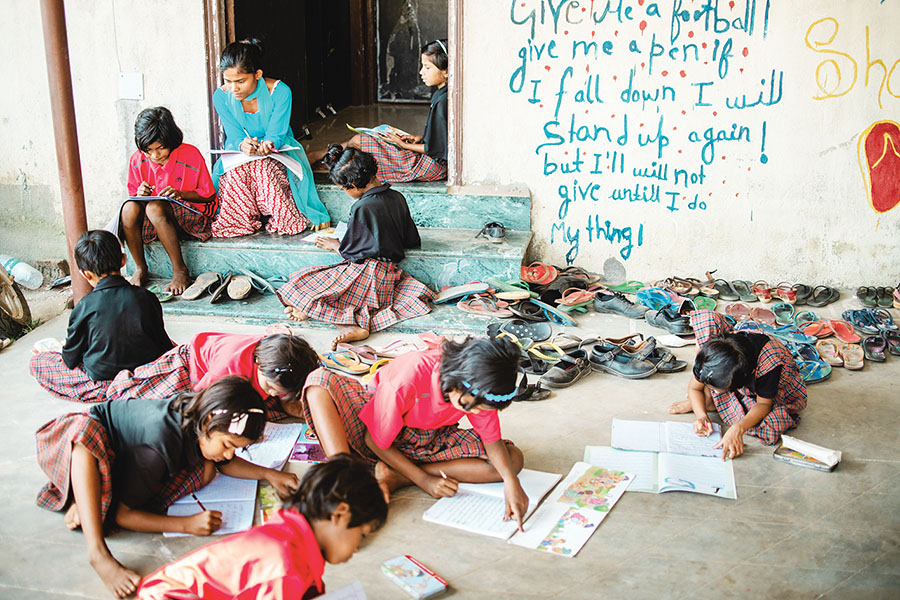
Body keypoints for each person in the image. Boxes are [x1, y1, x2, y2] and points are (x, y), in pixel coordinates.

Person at [34, 376, 300, 598]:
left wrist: (269, 475)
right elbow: (123, 516)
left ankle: (87, 498)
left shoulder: (198, 420)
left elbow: (222, 462)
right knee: (86, 441)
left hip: (129, 461)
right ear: (208, 423)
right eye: (228, 445)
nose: (230, 455)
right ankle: (97, 549)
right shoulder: (158, 447)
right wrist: (187, 524)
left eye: (236, 448)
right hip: (80, 446)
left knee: (208, 469)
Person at [297, 336, 529, 527]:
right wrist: (424, 481)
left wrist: (510, 481)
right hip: (373, 430)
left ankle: (397, 477)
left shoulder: (480, 389)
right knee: (319, 382)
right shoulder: (409, 376)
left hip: (427, 439)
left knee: (512, 459)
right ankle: (345, 474)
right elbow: (374, 441)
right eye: (474, 407)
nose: (479, 412)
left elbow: (492, 441)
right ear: (459, 383)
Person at [137, 454, 387, 599]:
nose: (356, 548)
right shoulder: (284, 569)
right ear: (340, 515)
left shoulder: (291, 534)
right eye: (361, 535)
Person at [278, 145, 434, 349]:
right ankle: (318, 313)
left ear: (352, 185)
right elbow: (411, 239)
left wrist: (335, 244)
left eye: (343, 189)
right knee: (320, 287)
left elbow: (352, 254)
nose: (345, 192)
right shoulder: (397, 196)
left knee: (301, 283)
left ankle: (349, 325)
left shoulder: (362, 207)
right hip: (388, 274)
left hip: (367, 272)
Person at [30, 230, 173, 403]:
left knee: (38, 361)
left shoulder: (84, 305)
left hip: (103, 381)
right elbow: (164, 345)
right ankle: (132, 387)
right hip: (146, 374)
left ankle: (114, 391)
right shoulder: (146, 297)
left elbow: (69, 359)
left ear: (86, 274)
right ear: (123, 260)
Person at [211, 38, 329, 238]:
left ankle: (286, 219)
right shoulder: (220, 96)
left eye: (240, 81)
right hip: (241, 153)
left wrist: (269, 144)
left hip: (279, 150)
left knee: (263, 166)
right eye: (228, 81)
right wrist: (242, 145)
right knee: (239, 169)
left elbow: (277, 134)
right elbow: (235, 134)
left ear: (257, 74)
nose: (233, 88)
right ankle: (240, 221)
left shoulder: (280, 92)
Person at [668, 309, 808, 459]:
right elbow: (695, 387)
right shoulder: (711, 354)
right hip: (731, 377)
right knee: (709, 392)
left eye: (716, 389)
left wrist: (738, 428)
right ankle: (706, 401)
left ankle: (709, 401)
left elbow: (763, 405)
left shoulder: (768, 365)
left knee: (772, 425)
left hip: (773, 389)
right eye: (709, 388)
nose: (714, 390)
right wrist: (701, 416)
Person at [307, 39, 449, 183]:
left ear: (446, 72)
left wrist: (404, 145)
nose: (421, 72)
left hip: (432, 166)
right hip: (431, 160)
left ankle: (323, 159)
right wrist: (416, 138)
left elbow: (439, 149)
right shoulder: (441, 94)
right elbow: (440, 138)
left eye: (427, 68)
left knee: (358, 142)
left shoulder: (443, 101)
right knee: (369, 140)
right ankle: (324, 159)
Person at [104, 331, 319, 421]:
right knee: (161, 407)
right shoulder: (229, 369)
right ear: (259, 365)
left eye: (278, 391)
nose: (271, 393)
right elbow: (198, 402)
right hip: (187, 368)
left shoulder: (277, 356)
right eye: (271, 387)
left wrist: (288, 402)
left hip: (235, 377)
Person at [122, 107, 217, 294]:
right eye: (148, 151)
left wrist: (181, 194)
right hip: (155, 222)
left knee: (155, 208)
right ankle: (141, 268)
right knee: (129, 209)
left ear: (171, 141)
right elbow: (133, 195)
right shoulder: (137, 160)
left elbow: (208, 195)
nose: (155, 156)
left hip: (191, 217)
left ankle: (180, 269)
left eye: (160, 148)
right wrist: (140, 194)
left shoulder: (190, 154)